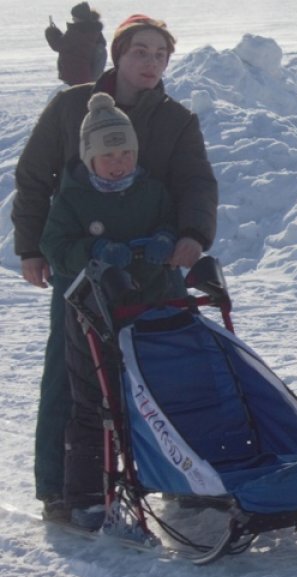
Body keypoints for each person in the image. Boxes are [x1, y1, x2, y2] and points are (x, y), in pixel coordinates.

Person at [12, 14, 218, 523]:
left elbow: (197, 183)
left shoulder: (176, 119)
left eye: (160, 55)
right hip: (83, 268)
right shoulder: (68, 106)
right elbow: (35, 178)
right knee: (73, 375)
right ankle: (62, 488)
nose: (150, 63)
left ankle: (178, 474)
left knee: (165, 369)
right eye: (140, 52)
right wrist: (31, 248)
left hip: (152, 267)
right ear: (119, 54)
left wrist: (192, 235)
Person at [39, 93, 181, 539]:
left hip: (147, 308)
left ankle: (178, 480)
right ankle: (85, 497)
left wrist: (163, 237)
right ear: (89, 156)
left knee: (162, 396)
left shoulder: (152, 191)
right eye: (108, 155)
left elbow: (171, 221)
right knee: (95, 406)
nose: (118, 163)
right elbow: (55, 247)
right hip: (92, 317)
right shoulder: (73, 198)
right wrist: (93, 251)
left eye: (125, 154)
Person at [44, 3, 107, 86]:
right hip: (85, 73)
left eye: (74, 17)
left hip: (75, 74)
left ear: (80, 18)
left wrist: (51, 32)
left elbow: (59, 45)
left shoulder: (77, 32)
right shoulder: (92, 31)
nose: (73, 19)